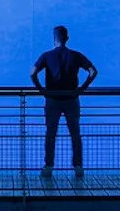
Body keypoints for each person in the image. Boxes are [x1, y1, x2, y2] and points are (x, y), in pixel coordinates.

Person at [31, 25, 96, 176]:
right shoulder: (76, 55)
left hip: (52, 99)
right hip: (71, 99)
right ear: (66, 39)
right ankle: (78, 167)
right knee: (75, 133)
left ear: (54, 40)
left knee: (50, 134)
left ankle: (48, 167)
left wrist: (42, 90)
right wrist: (81, 89)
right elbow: (93, 72)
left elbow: (32, 73)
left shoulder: (46, 56)